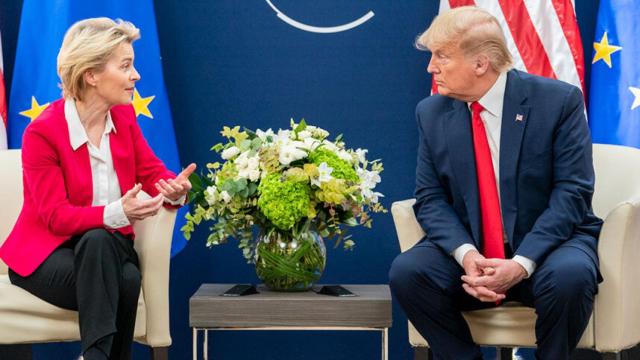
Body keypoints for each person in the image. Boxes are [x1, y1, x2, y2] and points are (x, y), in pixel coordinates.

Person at [389, 6, 602, 360]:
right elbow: (430, 198)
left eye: (442, 56)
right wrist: (467, 255)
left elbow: (573, 193)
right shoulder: (432, 112)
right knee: (409, 273)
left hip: (548, 246)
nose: (431, 68)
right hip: (475, 248)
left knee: (571, 277)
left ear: (480, 63)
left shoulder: (558, 101)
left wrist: (520, 263)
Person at [0, 18, 196, 360]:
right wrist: (119, 212)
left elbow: (152, 172)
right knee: (127, 278)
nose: (136, 75)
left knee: (100, 241)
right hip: (46, 255)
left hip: (106, 247)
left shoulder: (123, 119)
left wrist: (174, 189)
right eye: (126, 66)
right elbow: (56, 217)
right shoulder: (43, 134)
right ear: (91, 74)